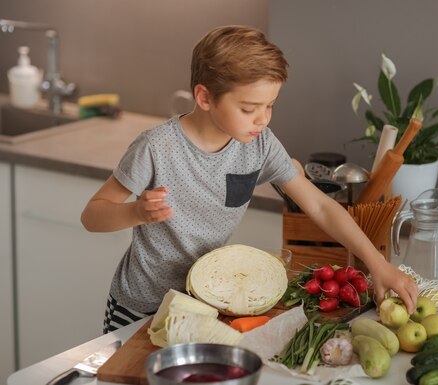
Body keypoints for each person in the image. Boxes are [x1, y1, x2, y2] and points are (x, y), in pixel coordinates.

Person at [81, 25, 418, 333]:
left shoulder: (259, 144)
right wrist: (136, 213)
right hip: (140, 306)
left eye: (270, 106)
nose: (262, 119)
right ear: (205, 97)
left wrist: (378, 265)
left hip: (207, 305)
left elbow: (320, 206)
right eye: (248, 108)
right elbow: (93, 215)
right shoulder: (156, 147)